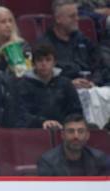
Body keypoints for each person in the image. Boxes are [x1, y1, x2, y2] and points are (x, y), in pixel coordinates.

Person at [38, 0, 110, 129]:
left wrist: (93, 81)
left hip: (93, 88)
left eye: (77, 15)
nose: (77, 19)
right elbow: (45, 71)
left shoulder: (83, 40)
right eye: (72, 16)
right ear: (59, 19)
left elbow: (100, 65)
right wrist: (69, 82)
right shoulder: (45, 45)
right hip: (64, 92)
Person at [18, 44, 83, 130]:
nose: (44, 64)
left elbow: (76, 112)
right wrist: (42, 123)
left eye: (48, 60)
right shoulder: (22, 85)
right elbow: (21, 114)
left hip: (64, 131)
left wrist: (64, 125)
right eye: (40, 60)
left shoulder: (65, 84)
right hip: (34, 131)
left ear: (54, 62)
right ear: (33, 63)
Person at [38, 114, 107, 175]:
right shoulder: (47, 162)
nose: (76, 136)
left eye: (81, 131)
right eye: (71, 131)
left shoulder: (99, 159)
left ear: (87, 135)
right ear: (62, 135)